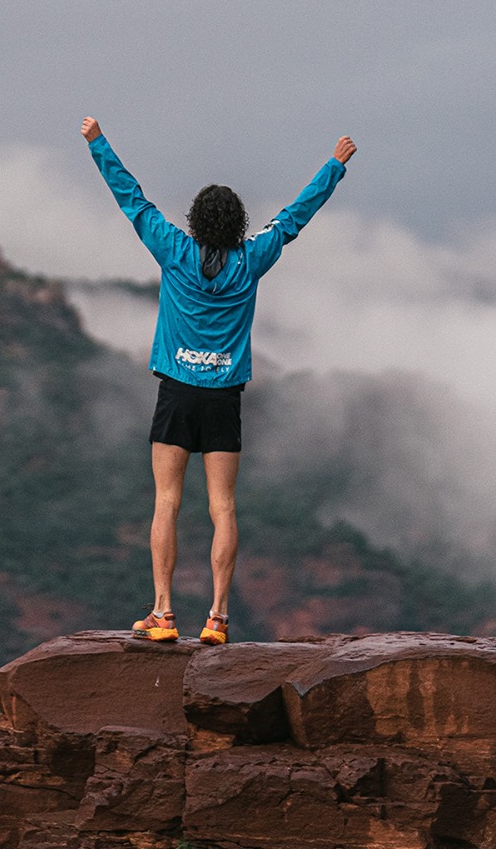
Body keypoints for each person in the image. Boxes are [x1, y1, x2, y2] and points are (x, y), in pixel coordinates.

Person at [81, 115, 355, 648]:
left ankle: (163, 613)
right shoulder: (251, 260)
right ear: (236, 225)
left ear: (195, 221)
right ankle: (218, 618)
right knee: (223, 507)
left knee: (166, 501)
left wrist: (98, 142)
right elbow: (295, 217)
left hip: (177, 392)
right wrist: (335, 166)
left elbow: (131, 199)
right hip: (224, 396)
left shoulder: (174, 250)